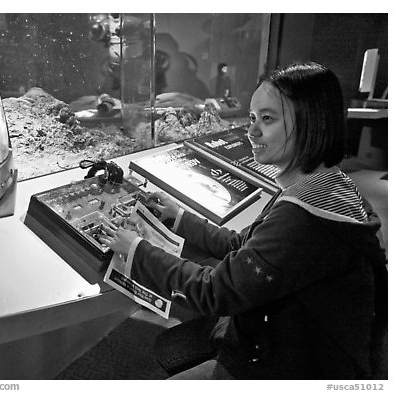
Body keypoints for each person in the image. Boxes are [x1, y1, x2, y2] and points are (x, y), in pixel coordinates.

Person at [99, 62, 387, 379]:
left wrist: (138, 250)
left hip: (293, 365)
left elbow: (217, 291)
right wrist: (178, 217)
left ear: (311, 124)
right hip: (293, 339)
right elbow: (244, 245)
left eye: (267, 119)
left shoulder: (303, 216)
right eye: (252, 118)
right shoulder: (324, 185)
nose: (251, 132)